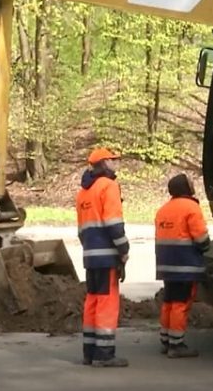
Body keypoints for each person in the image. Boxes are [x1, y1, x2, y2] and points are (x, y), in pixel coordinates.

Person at [76, 147, 130, 368]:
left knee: (93, 302)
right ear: (104, 163)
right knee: (107, 304)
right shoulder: (108, 186)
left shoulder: (83, 192)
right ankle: (104, 354)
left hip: (90, 256)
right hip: (107, 256)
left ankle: (90, 351)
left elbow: (81, 230)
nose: (115, 164)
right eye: (112, 160)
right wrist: (124, 249)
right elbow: (113, 223)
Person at [154, 173, 210, 358]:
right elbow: (201, 238)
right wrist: (206, 247)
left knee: (169, 302)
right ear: (186, 188)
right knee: (181, 303)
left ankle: (166, 340)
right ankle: (176, 345)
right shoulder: (191, 207)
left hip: (166, 266)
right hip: (185, 265)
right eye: (191, 183)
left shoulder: (163, 210)